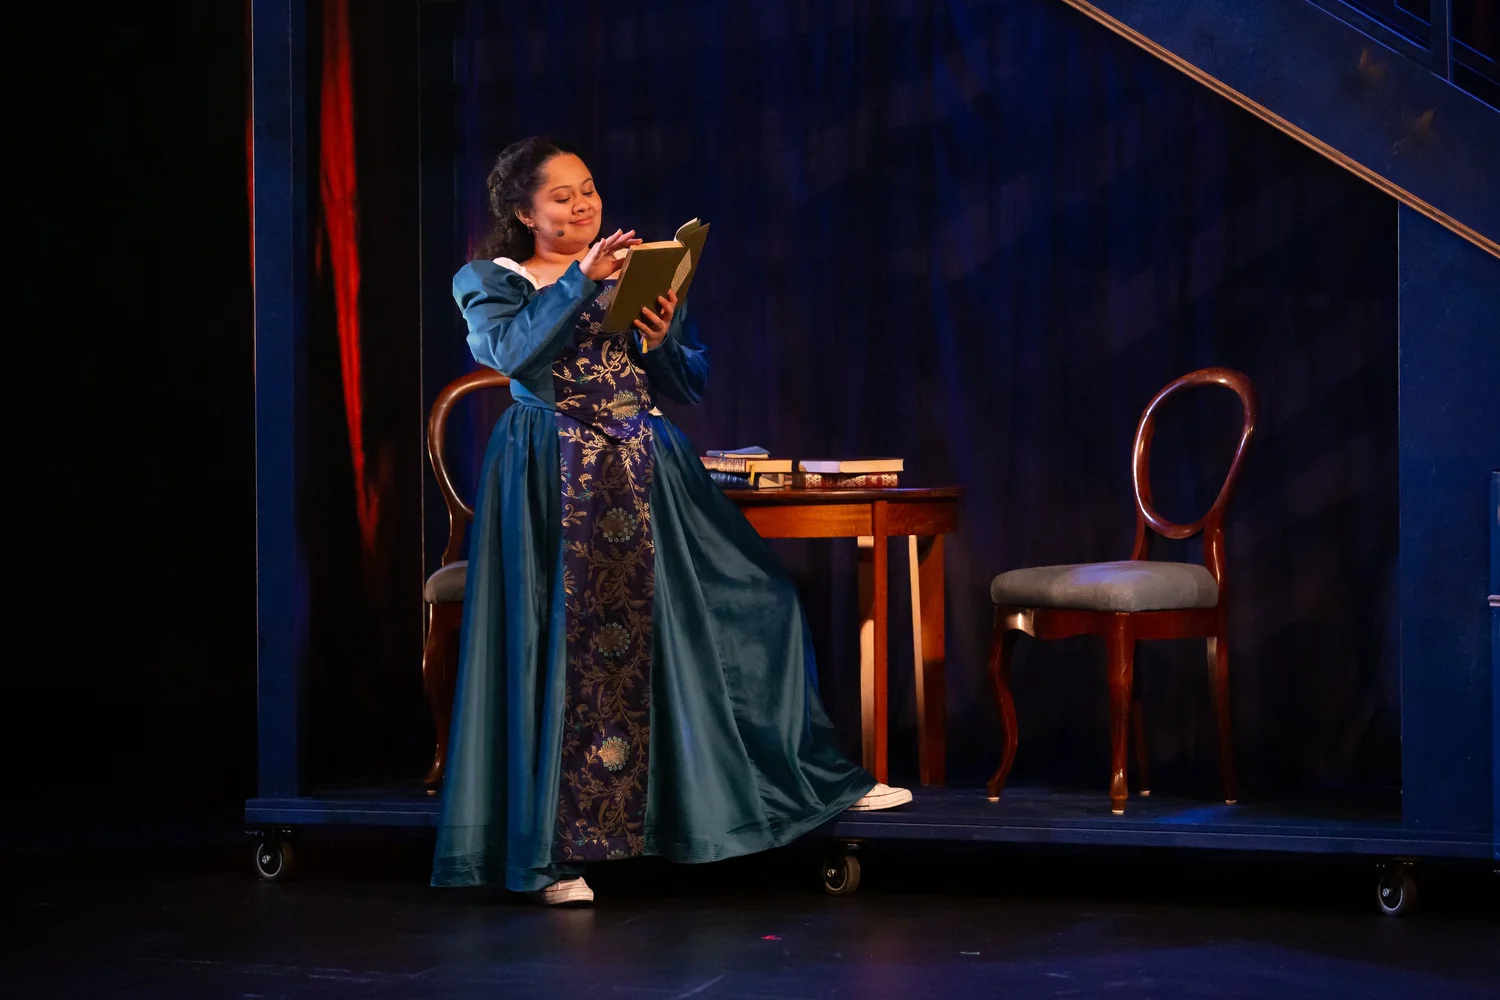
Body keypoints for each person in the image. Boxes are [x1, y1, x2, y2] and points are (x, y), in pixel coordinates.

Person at [433, 135, 910, 905]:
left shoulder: (639, 267)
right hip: (553, 472)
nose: (583, 206)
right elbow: (511, 355)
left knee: (757, 605)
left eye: (589, 190)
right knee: (562, 652)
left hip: (646, 466)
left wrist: (658, 339)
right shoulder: (492, 280)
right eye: (562, 197)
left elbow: (688, 380)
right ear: (524, 213)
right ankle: (552, 856)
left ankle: (807, 781)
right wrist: (580, 283)